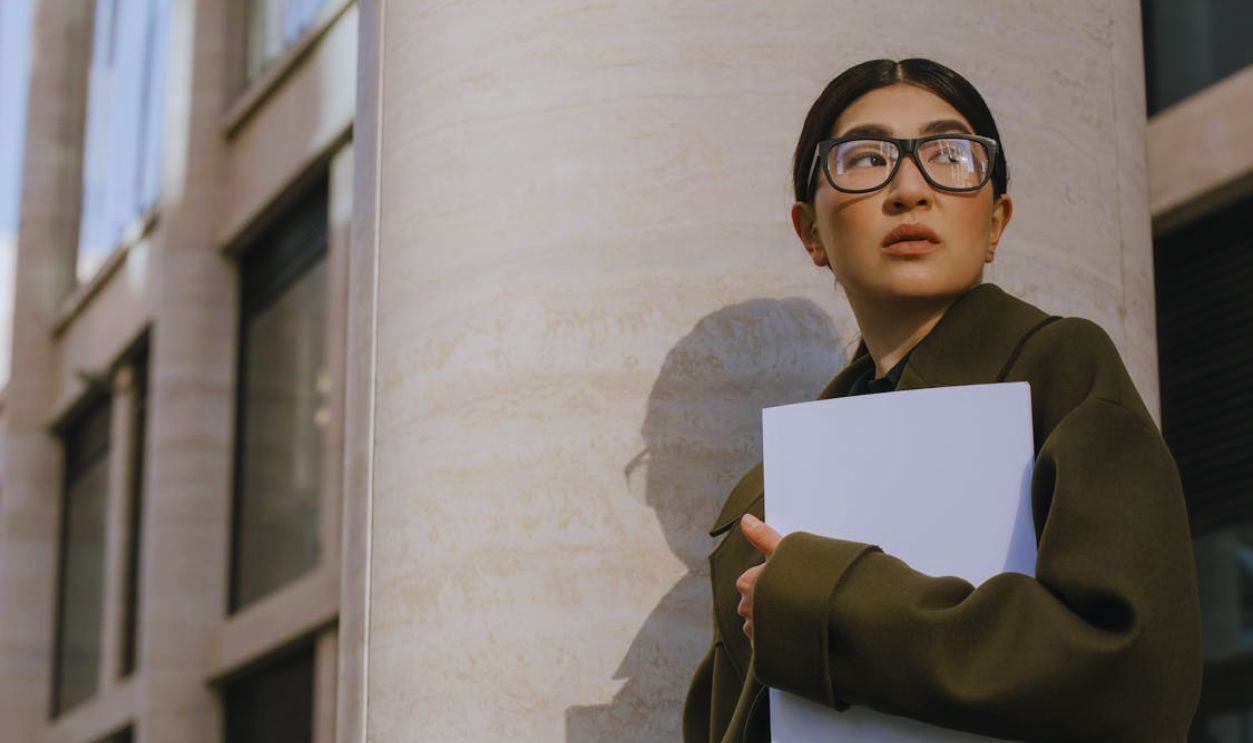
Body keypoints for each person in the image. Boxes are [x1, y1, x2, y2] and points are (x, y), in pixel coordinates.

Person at [681, 58, 1202, 743]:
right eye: (864, 158)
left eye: (949, 155)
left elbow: (1133, 668)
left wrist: (826, 603)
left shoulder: (1062, 372)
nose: (907, 189)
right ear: (810, 232)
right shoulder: (772, 491)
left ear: (994, 222)